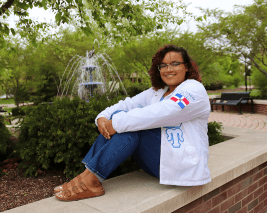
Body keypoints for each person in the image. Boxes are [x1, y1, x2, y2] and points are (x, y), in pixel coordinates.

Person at [54, 44, 211, 201]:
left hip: (181, 164)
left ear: (187, 67)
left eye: (175, 63)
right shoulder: (157, 91)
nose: (168, 69)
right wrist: (102, 118)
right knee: (122, 117)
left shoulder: (193, 89)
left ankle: (90, 180)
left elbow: (163, 112)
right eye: (163, 65)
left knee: (130, 126)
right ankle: (88, 176)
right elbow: (126, 104)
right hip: (156, 162)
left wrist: (115, 123)